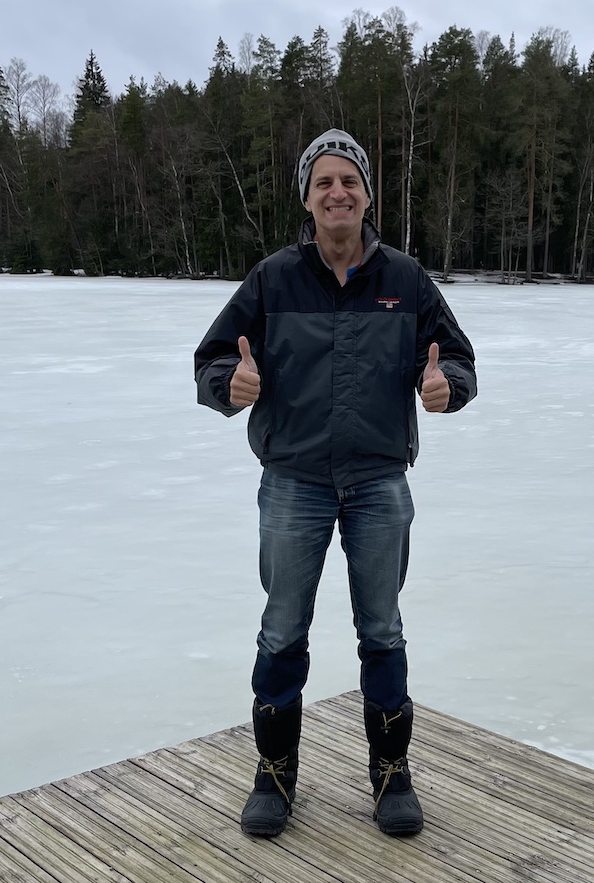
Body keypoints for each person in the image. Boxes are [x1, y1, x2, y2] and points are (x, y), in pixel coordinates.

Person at [193, 128, 477, 838]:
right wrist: (234, 382)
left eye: (348, 180)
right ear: (308, 197)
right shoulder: (272, 279)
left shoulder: (405, 281)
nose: (337, 192)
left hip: (380, 482)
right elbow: (211, 362)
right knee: (283, 630)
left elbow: (456, 360)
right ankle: (275, 775)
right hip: (295, 483)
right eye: (324, 182)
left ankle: (391, 776)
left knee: (382, 630)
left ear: (367, 196)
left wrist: (447, 386)